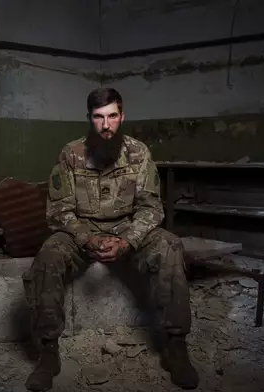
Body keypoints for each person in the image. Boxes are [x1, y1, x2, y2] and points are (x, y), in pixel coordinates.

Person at [23, 87, 199, 391]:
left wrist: (128, 241)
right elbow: (59, 210)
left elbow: (151, 207)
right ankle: (48, 351)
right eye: (99, 117)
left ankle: (176, 345)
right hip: (82, 231)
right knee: (49, 253)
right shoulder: (71, 154)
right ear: (90, 118)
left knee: (170, 245)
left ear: (122, 117)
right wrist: (87, 238)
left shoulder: (139, 153)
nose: (106, 125)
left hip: (129, 229)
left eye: (112, 116)